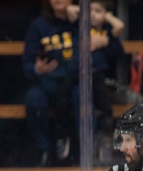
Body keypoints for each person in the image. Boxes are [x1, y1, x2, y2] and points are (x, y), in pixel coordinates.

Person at [57, 0, 125, 160]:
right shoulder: (79, 26)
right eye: (91, 11)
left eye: (98, 11)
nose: (93, 14)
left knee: (105, 107)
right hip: (76, 73)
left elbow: (120, 26)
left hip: (97, 75)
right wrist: (86, 12)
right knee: (61, 100)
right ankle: (62, 135)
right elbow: (70, 10)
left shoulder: (107, 32)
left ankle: (104, 139)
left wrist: (106, 17)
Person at [23, 0, 79, 166]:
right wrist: (37, 69)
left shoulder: (81, 24)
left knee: (82, 99)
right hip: (49, 82)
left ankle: (80, 151)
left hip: (76, 83)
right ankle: (44, 150)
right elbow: (27, 63)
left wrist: (79, 14)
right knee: (33, 100)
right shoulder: (38, 25)